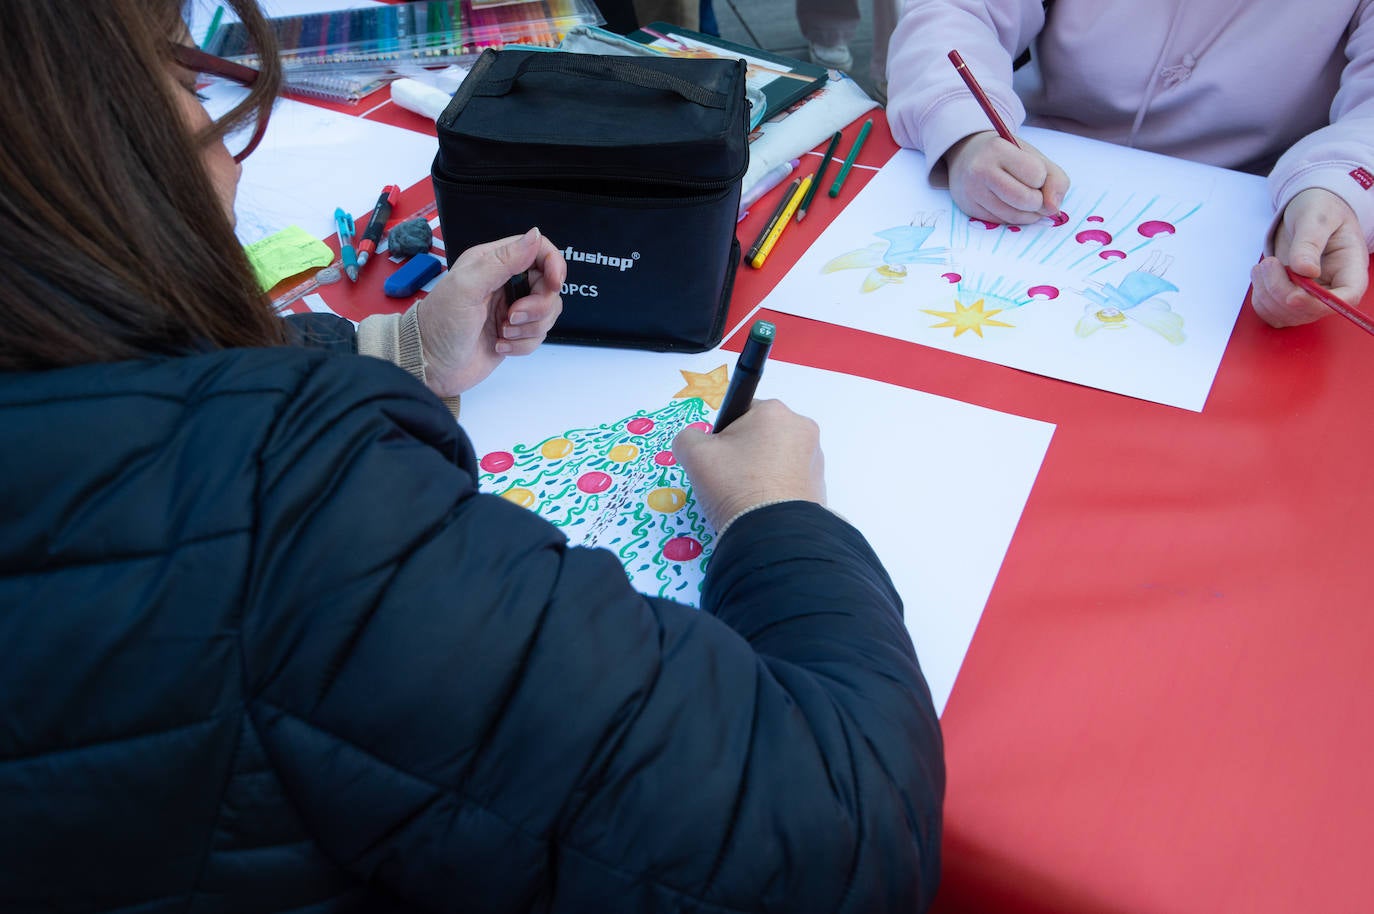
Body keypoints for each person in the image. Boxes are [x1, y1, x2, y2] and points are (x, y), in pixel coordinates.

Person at [0, 1, 945, 912]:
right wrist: (779, 518)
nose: (215, 121)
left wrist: (396, 354)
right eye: (181, 71)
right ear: (83, 147)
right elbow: (842, 833)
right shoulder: (285, 511)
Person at [884, 0, 1374, 328]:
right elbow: (955, 12)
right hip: (1030, 144)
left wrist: (1340, 186)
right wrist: (966, 128)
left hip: (1254, 198)